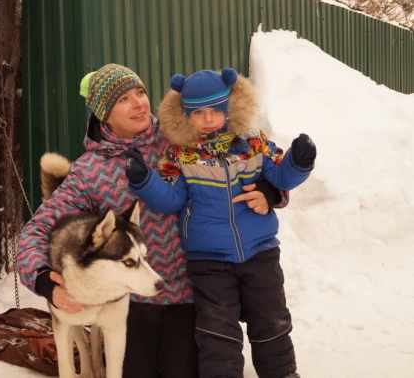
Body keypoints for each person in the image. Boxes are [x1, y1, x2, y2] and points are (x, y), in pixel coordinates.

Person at [16, 63, 288, 378]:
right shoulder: (89, 171)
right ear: (104, 114)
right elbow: (36, 231)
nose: (139, 103)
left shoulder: (184, 137)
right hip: (133, 303)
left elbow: (251, 159)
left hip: (194, 289)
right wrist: (43, 280)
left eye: (140, 92)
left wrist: (272, 189)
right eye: (123, 99)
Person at [123, 68, 316, 378]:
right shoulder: (180, 156)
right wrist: (144, 181)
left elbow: (281, 175)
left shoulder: (254, 143)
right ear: (187, 116)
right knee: (217, 326)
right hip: (208, 259)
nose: (209, 118)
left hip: (260, 251)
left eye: (215, 109)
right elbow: (171, 198)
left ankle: (281, 372)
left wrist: (299, 161)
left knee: (270, 318)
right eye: (199, 113)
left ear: (229, 106)